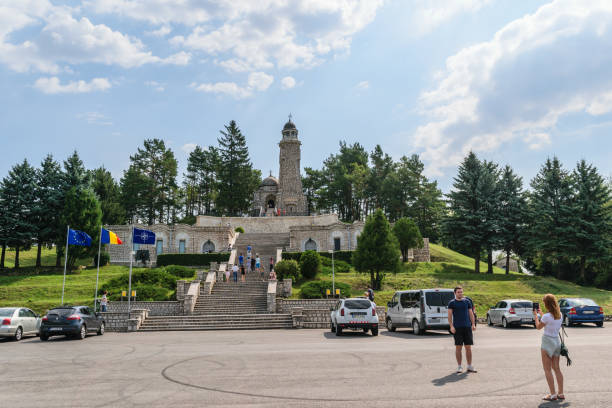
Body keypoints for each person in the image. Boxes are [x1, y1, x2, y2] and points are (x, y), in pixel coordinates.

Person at [534, 294, 565, 401]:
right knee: (557, 368)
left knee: (547, 370)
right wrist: (541, 315)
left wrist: (535, 316)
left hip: (547, 342)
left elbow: (539, 327)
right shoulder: (560, 314)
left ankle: (552, 394)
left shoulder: (546, 317)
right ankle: (560, 393)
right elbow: (549, 320)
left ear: (546, 304)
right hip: (557, 342)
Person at [448, 286, 477, 373]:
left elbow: (471, 313)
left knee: (468, 347)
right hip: (457, 328)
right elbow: (449, 315)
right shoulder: (452, 303)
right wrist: (451, 326)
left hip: (467, 327)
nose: (460, 293)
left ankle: (469, 366)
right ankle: (459, 366)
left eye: (461, 292)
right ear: (455, 293)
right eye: (459, 292)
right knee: (458, 348)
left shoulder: (467, 301)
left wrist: (473, 324)